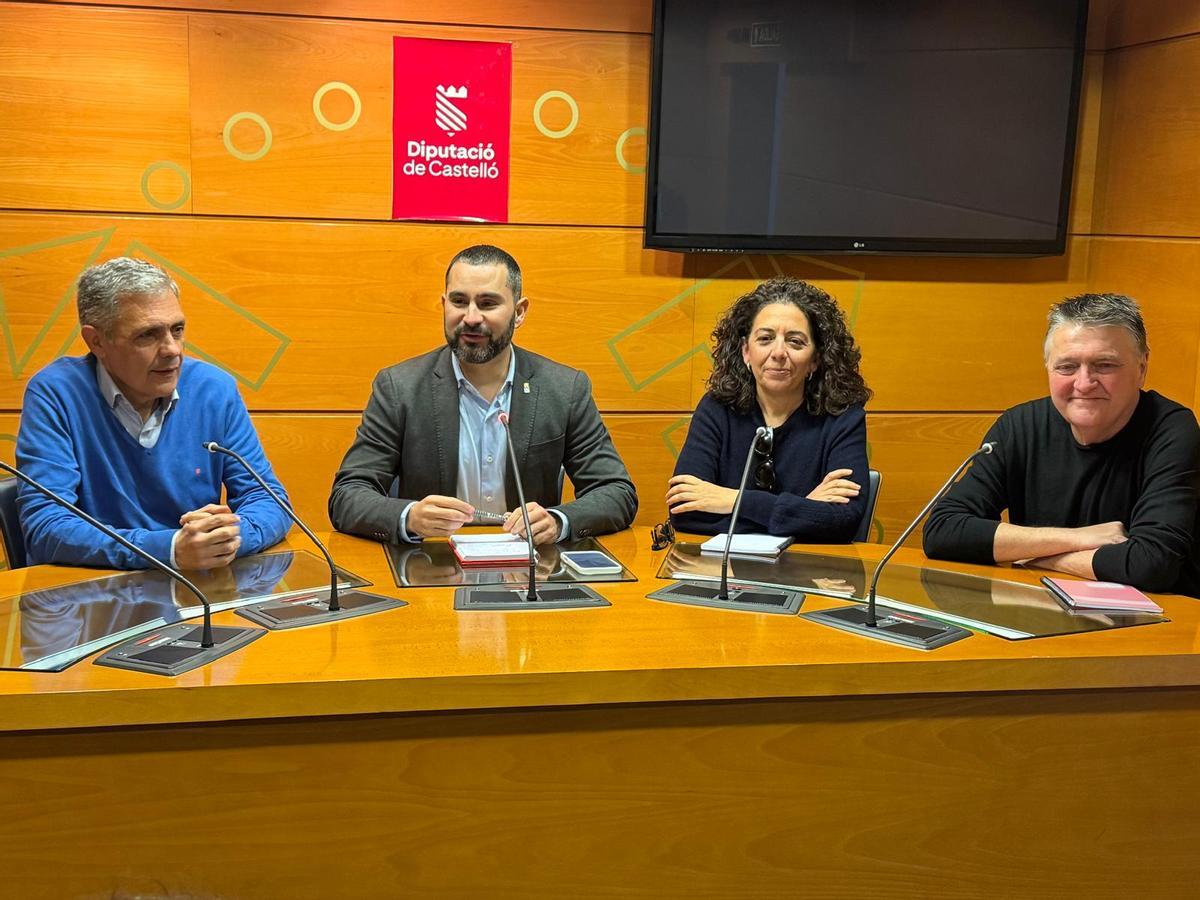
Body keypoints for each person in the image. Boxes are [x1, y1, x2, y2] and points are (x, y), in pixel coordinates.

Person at [329, 244, 637, 545]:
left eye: (488, 303)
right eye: (459, 301)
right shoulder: (400, 387)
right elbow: (348, 495)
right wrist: (409, 517)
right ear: (444, 303)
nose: (471, 317)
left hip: (528, 569)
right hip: (432, 564)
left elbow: (616, 492)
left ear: (519, 312)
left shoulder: (563, 388)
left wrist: (558, 521)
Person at [15, 257, 291, 570]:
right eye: (148, 335)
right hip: (90, 599)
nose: (172, 349)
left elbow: (268, 500)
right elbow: (46, 528)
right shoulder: (57, 393)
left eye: (178, 329)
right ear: (97, 341)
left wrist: (228, 538)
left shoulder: (214, 389)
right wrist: (170, 549)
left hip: (195, 596)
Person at [923, 293, 1200, 595]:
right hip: (1041, 612)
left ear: (1142, 367)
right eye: (1067, 367)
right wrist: (1080, 539)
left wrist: (1037, 555)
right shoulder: (1019, 426)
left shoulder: (1172, 429)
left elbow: (1150, 565)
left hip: (1156, 625)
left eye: (1104, 365)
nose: (1083, 383)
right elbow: (942, 531)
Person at [668, 278, 872, 541]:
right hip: (723, 573)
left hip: (811, 575)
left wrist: (732, 499)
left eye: (795, 342)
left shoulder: (843, 417)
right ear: (746, 352)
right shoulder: (716, 409)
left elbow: (843, 521)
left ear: (815, 359)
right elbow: (684, 513)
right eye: (765, 339)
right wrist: (802, 510)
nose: (778, 352)